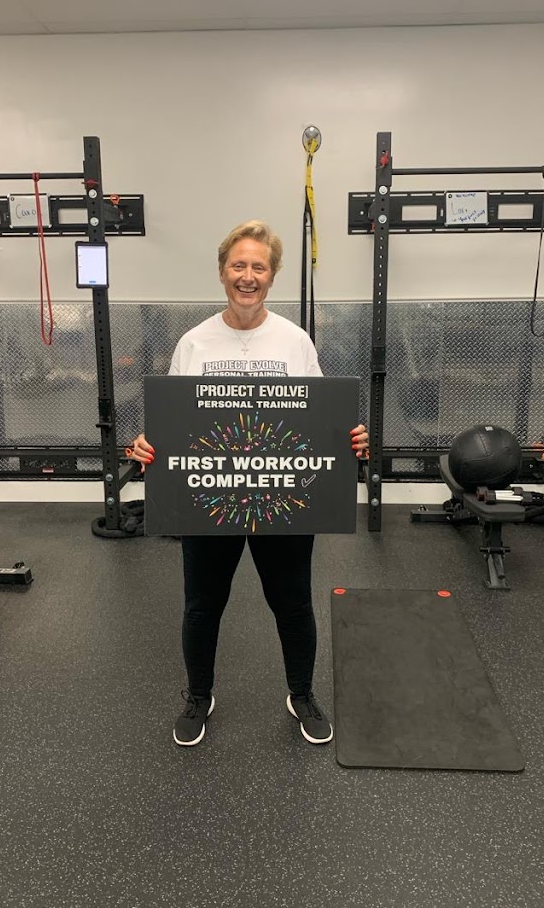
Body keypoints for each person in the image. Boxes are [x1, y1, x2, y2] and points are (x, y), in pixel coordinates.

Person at [131, 220, 368, 747]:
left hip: (282, 498)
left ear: (272, 276)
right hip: (209, 497)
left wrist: (348, 439)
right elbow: (171, 422)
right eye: (238, 265)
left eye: (259, 267)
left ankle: (301, 693)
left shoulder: (294, 341)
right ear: (222, 272)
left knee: (293, 604)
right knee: (202, 606)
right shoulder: (194, 343)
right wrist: (147, 444)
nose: (248, 276)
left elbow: (320, 419)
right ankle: (198, 696)